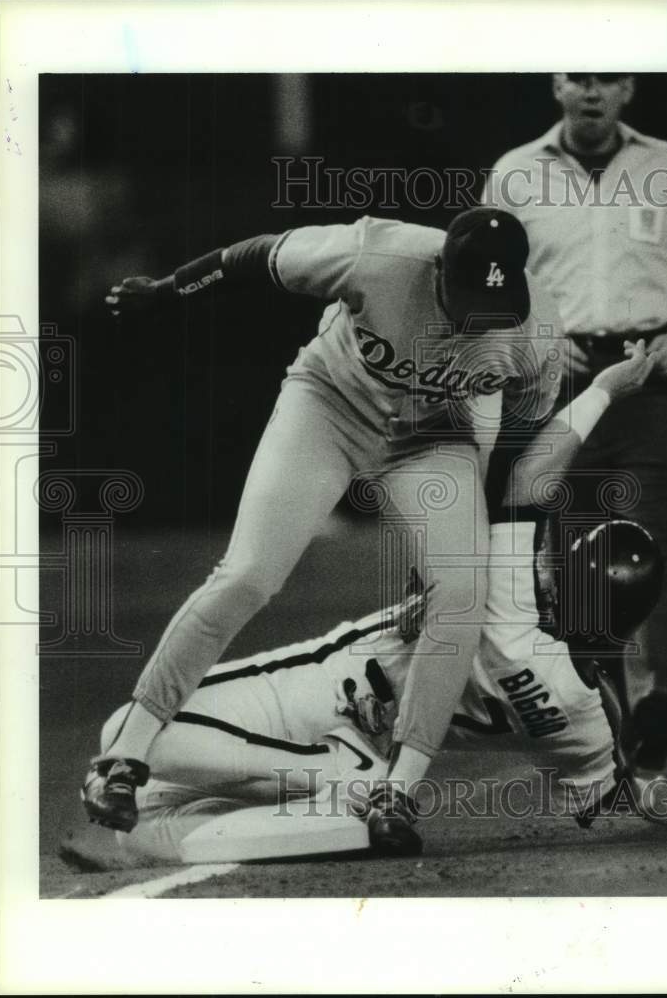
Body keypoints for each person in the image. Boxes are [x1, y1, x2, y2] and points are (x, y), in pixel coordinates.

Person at [83, 207, 566, 856]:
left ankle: (395, 789)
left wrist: (473, 540)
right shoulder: (379, 255)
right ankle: (124, 757)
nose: (484, 313)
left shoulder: (534, 330)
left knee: (461, 595)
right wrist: (170, 288)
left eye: (496, 300)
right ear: (439, 271)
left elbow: (519, 440)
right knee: (249, 574)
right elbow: (255, 255)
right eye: (473, 296)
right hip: (330, 404)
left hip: (429, 439)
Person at [70, 341, 660, 868]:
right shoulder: (587, 716)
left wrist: (607, 388)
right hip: (367, 743)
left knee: (126, 728)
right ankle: (354, 804)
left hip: (320, 692)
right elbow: (607, 796)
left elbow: (530, 476)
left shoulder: (516, 605)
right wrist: (645, 774)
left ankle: (354, 781)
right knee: (144, 832)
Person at [483, 73, 667, 772]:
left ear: (628, 88)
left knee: (643, 540)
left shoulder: (663, 163)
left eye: (608, 78)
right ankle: (607, 729)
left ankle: (662, 705)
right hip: (554, 383)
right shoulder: (516, 172)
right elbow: (487, 271)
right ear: (556, 85)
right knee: (574, 559)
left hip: (643, 378)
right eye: (578, 77)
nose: (592, 91)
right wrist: (528, 332)